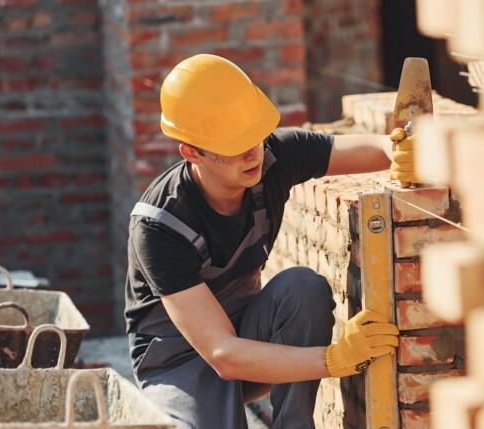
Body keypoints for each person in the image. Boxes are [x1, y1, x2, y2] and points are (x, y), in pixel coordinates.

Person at [124, 54, 416, 429]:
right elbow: (221, 353)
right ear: (191, 152)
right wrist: (334, 359)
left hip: (250, 336)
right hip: (179, 362)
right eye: (234, 144)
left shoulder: (272, 157)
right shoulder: (159, 226)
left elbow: (371, 148)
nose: (252, 153)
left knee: (301, 288)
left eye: (255, 136)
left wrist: (400, 151)